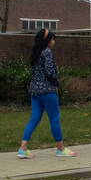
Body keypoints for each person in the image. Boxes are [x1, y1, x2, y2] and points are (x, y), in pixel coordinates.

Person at [17, 28, 76, 158]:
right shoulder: (47, 52)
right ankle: (60, 148)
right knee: (54, 118)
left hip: (35, 90)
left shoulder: (36, 52)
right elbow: (50, 72)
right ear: (47, 41)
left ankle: (23, 148)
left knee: (34, 118)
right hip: (48, 90)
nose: (54, 42)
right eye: (52, 39)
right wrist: (56, 83)